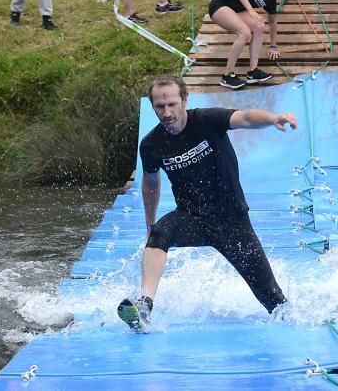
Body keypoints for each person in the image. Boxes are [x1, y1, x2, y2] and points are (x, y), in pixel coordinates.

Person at [117, 75, 296, 331]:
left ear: (184, 100)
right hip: (191, 218)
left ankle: (305, 318)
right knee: (159, 233)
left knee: (273, 300)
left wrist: (273, 119)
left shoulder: (207, 120)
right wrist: (149, 223)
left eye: (172, 104)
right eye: (160, 106)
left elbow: (244, 118)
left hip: (232, 221)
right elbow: (151, 182)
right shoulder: (151, 144)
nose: (167, 112)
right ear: (153, 106)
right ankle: (144, 305)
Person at [208, 0, 297, 89]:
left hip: (235, 9)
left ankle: (253, 72)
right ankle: (227, 76)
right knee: (245, 33)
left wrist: (273, 46)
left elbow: (272, 23)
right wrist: (250, 10)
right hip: (220, 4)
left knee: (259, 26)